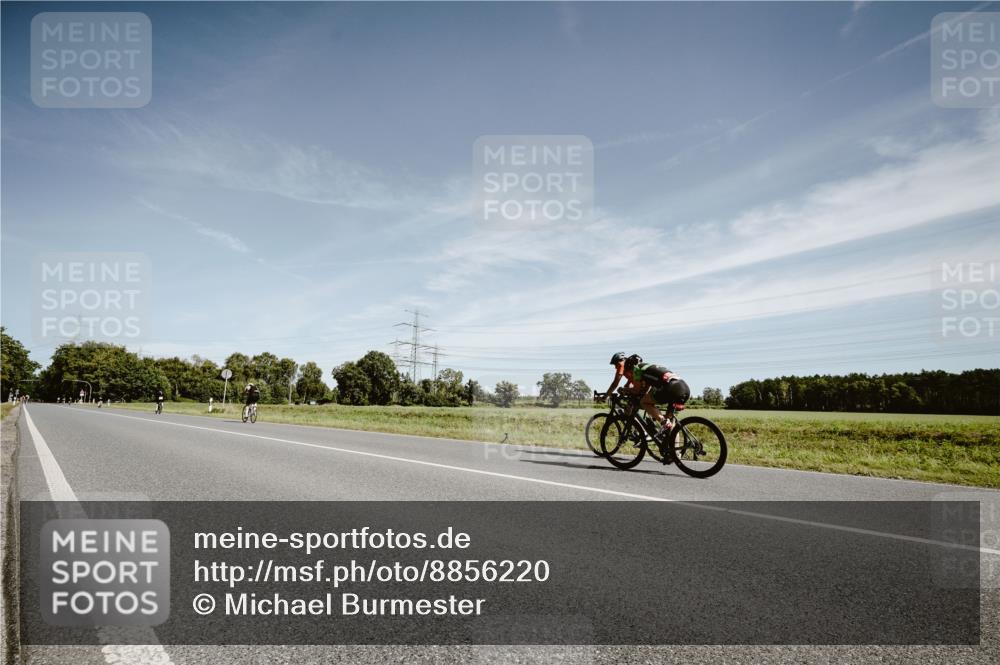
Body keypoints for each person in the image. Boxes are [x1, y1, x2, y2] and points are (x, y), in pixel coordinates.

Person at [600, 352, 690, 431]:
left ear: (629, 367)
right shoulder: (647, 367)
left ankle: (663, 422)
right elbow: (645, 389)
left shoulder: (637, 369)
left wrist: (624, 390)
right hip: (684, 387)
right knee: (672, 428)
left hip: (670, 388)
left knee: (644, 403)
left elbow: (636, 390)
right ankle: (674, 449)